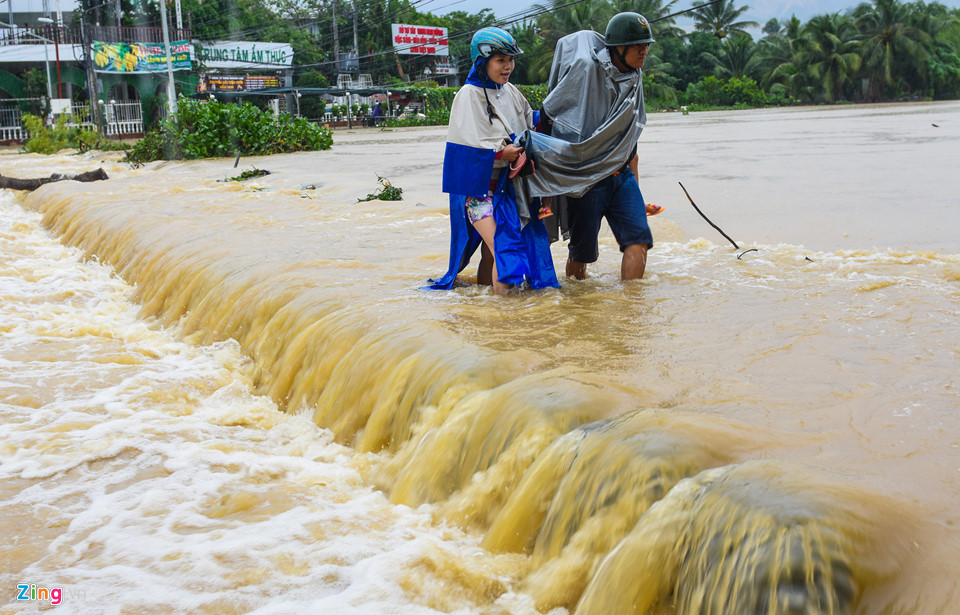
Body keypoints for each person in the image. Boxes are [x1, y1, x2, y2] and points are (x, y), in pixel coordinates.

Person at [426, 28, 558, 293]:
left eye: (510, 60)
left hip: (509, 190)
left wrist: (553, 114)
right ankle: (504, 318)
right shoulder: (467, 96)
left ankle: (485, 305)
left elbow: (529, 121)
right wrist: (500, 155)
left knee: (491, 252)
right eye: (500, 60)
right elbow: (461, 154)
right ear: (481, 61)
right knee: (504, 249)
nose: (508, 66)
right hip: (478, 194)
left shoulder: (510, 91)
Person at [535, 12, 657, 281]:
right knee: (582, 254)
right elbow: (550, 114)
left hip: (621, 175)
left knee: (638, 239)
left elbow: (630, 138)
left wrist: (637, 190)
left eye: (646, 45)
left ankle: (633, 312)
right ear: (618, 48)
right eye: (638, 45)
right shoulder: (587, 69)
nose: (644, 51)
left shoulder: (635, 78)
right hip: (587, 178)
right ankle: (579, 309)